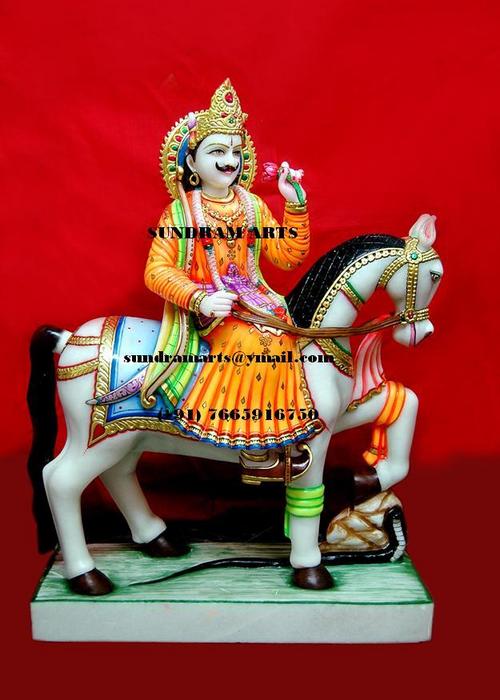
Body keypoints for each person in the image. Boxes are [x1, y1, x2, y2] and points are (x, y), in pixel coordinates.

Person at [142, 79, 323, 479]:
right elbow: (156, 271)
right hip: (209, 311)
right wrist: (199, 298)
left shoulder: (252, 205)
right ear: (192, 164)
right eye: (216, 151)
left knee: (290, 328)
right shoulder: (180, 213)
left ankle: (284, 432)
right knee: (257, 342)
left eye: (235, 152)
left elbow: (287, 255)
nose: (229, 161)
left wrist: (294, 205)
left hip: (256, 300)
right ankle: (253, 452)